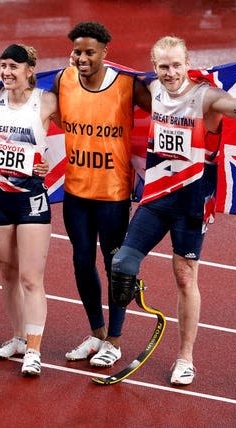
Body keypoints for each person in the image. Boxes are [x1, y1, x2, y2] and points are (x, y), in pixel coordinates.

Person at [111, 36, 236, 385]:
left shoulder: (206, 97)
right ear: (154, 67)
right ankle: (113, 341)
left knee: (185, 277)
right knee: (122, 264)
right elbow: (114, 79)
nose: (170, 73)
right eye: (163, 66)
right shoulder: (152, 88)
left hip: (191, 203)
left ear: (188, 63)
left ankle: (185, 357)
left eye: (176, 65)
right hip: (156, 198)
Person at [52, 21, 151, 368]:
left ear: (105, 52)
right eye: (77, 51)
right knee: (81, 261)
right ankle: (96, 333)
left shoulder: (126, 84)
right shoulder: (62, 80)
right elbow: (37, 104)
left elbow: (166, 108)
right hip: (76, 190)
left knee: (115, 266)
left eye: (89, 52)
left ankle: (115, 340)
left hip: (112, 194)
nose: (82, 58)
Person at [0, 44, 57, 376]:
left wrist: (54, 162)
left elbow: (80, 127)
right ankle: (16, 337)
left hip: (31, 198)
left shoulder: (46, 100)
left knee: (30, 277)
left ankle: (34, 349)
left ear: (30, 69)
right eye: (3, 66)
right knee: (6, 272)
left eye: (14, 66)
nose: (7, 72)